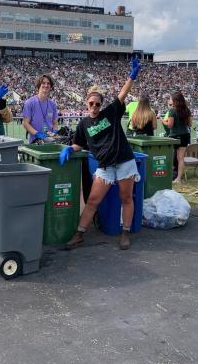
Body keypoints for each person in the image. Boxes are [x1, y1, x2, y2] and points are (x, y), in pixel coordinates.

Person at [60, 57, 141, 251]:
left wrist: (132, 77)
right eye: (91, 103)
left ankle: (125, 232)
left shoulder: (111, 113)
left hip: (123, 161)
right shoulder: (83, 124)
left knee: (126, 198)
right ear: (86, 104)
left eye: (97, 104)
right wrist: (69, 149)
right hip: (105, 166)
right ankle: (79, 234)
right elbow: (79, 143)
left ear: (101, 104)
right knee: (93, 200)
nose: (94, 107)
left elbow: (122, 95)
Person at [161, 91, 192, 184]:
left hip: (175, 136)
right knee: (181, 158)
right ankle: (178, 179)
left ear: (175, 100)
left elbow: (170, 125)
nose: (170, 100)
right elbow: (190, 124)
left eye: (171, 99)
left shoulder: (172, 110)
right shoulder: (187, 110)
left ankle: (166, 176)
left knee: (169, 157)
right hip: (185, 135)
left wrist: (163, 121)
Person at [21, 74, 59, 143]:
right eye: (43, 83)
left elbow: (55, 122)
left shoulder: (53, 104)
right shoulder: (29, 103)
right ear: (39, 85)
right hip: (35, 142)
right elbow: (25, 123)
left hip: (50, 141)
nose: (46, 85)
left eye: (48, 83)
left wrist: (54, 131)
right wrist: (37, 134)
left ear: (51, 87)